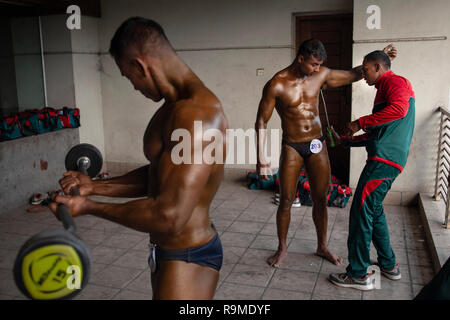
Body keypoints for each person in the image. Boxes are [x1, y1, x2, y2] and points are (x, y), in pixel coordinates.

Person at [49, 17, 228, 300]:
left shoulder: (197, 113)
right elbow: (160, 173)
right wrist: (94, 186)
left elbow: (169, 216)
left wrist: (89, 206)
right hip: (171, 252)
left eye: (127, 76)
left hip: (188, 256)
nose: (133, 86)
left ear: (140, 65)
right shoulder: (174, 107)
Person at [255, 39, 397, 267]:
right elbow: (261, 121)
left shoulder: (320, 76)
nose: (317, 69)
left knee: (321, 199)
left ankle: (322, 246)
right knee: (286, 200)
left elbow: (353, 75)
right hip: (292, 145)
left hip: (317, 144)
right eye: (313, 64)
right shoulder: (277, 84)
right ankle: (282, 248)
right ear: (300, 58)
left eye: (320, 65)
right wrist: (261, 159)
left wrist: (382, 56)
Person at [328, 49, 415, 290]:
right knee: (373, 210)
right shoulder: (384, 91)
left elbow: (400, 109)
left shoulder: (395, 82)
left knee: (360, 212)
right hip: (386, 159)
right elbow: (377, 134)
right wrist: (345, 140)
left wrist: (359, 122)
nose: (363, 75)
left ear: (378, 67)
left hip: (384, 161)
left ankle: (358, 273)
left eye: (365, 70)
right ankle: (388, 264)